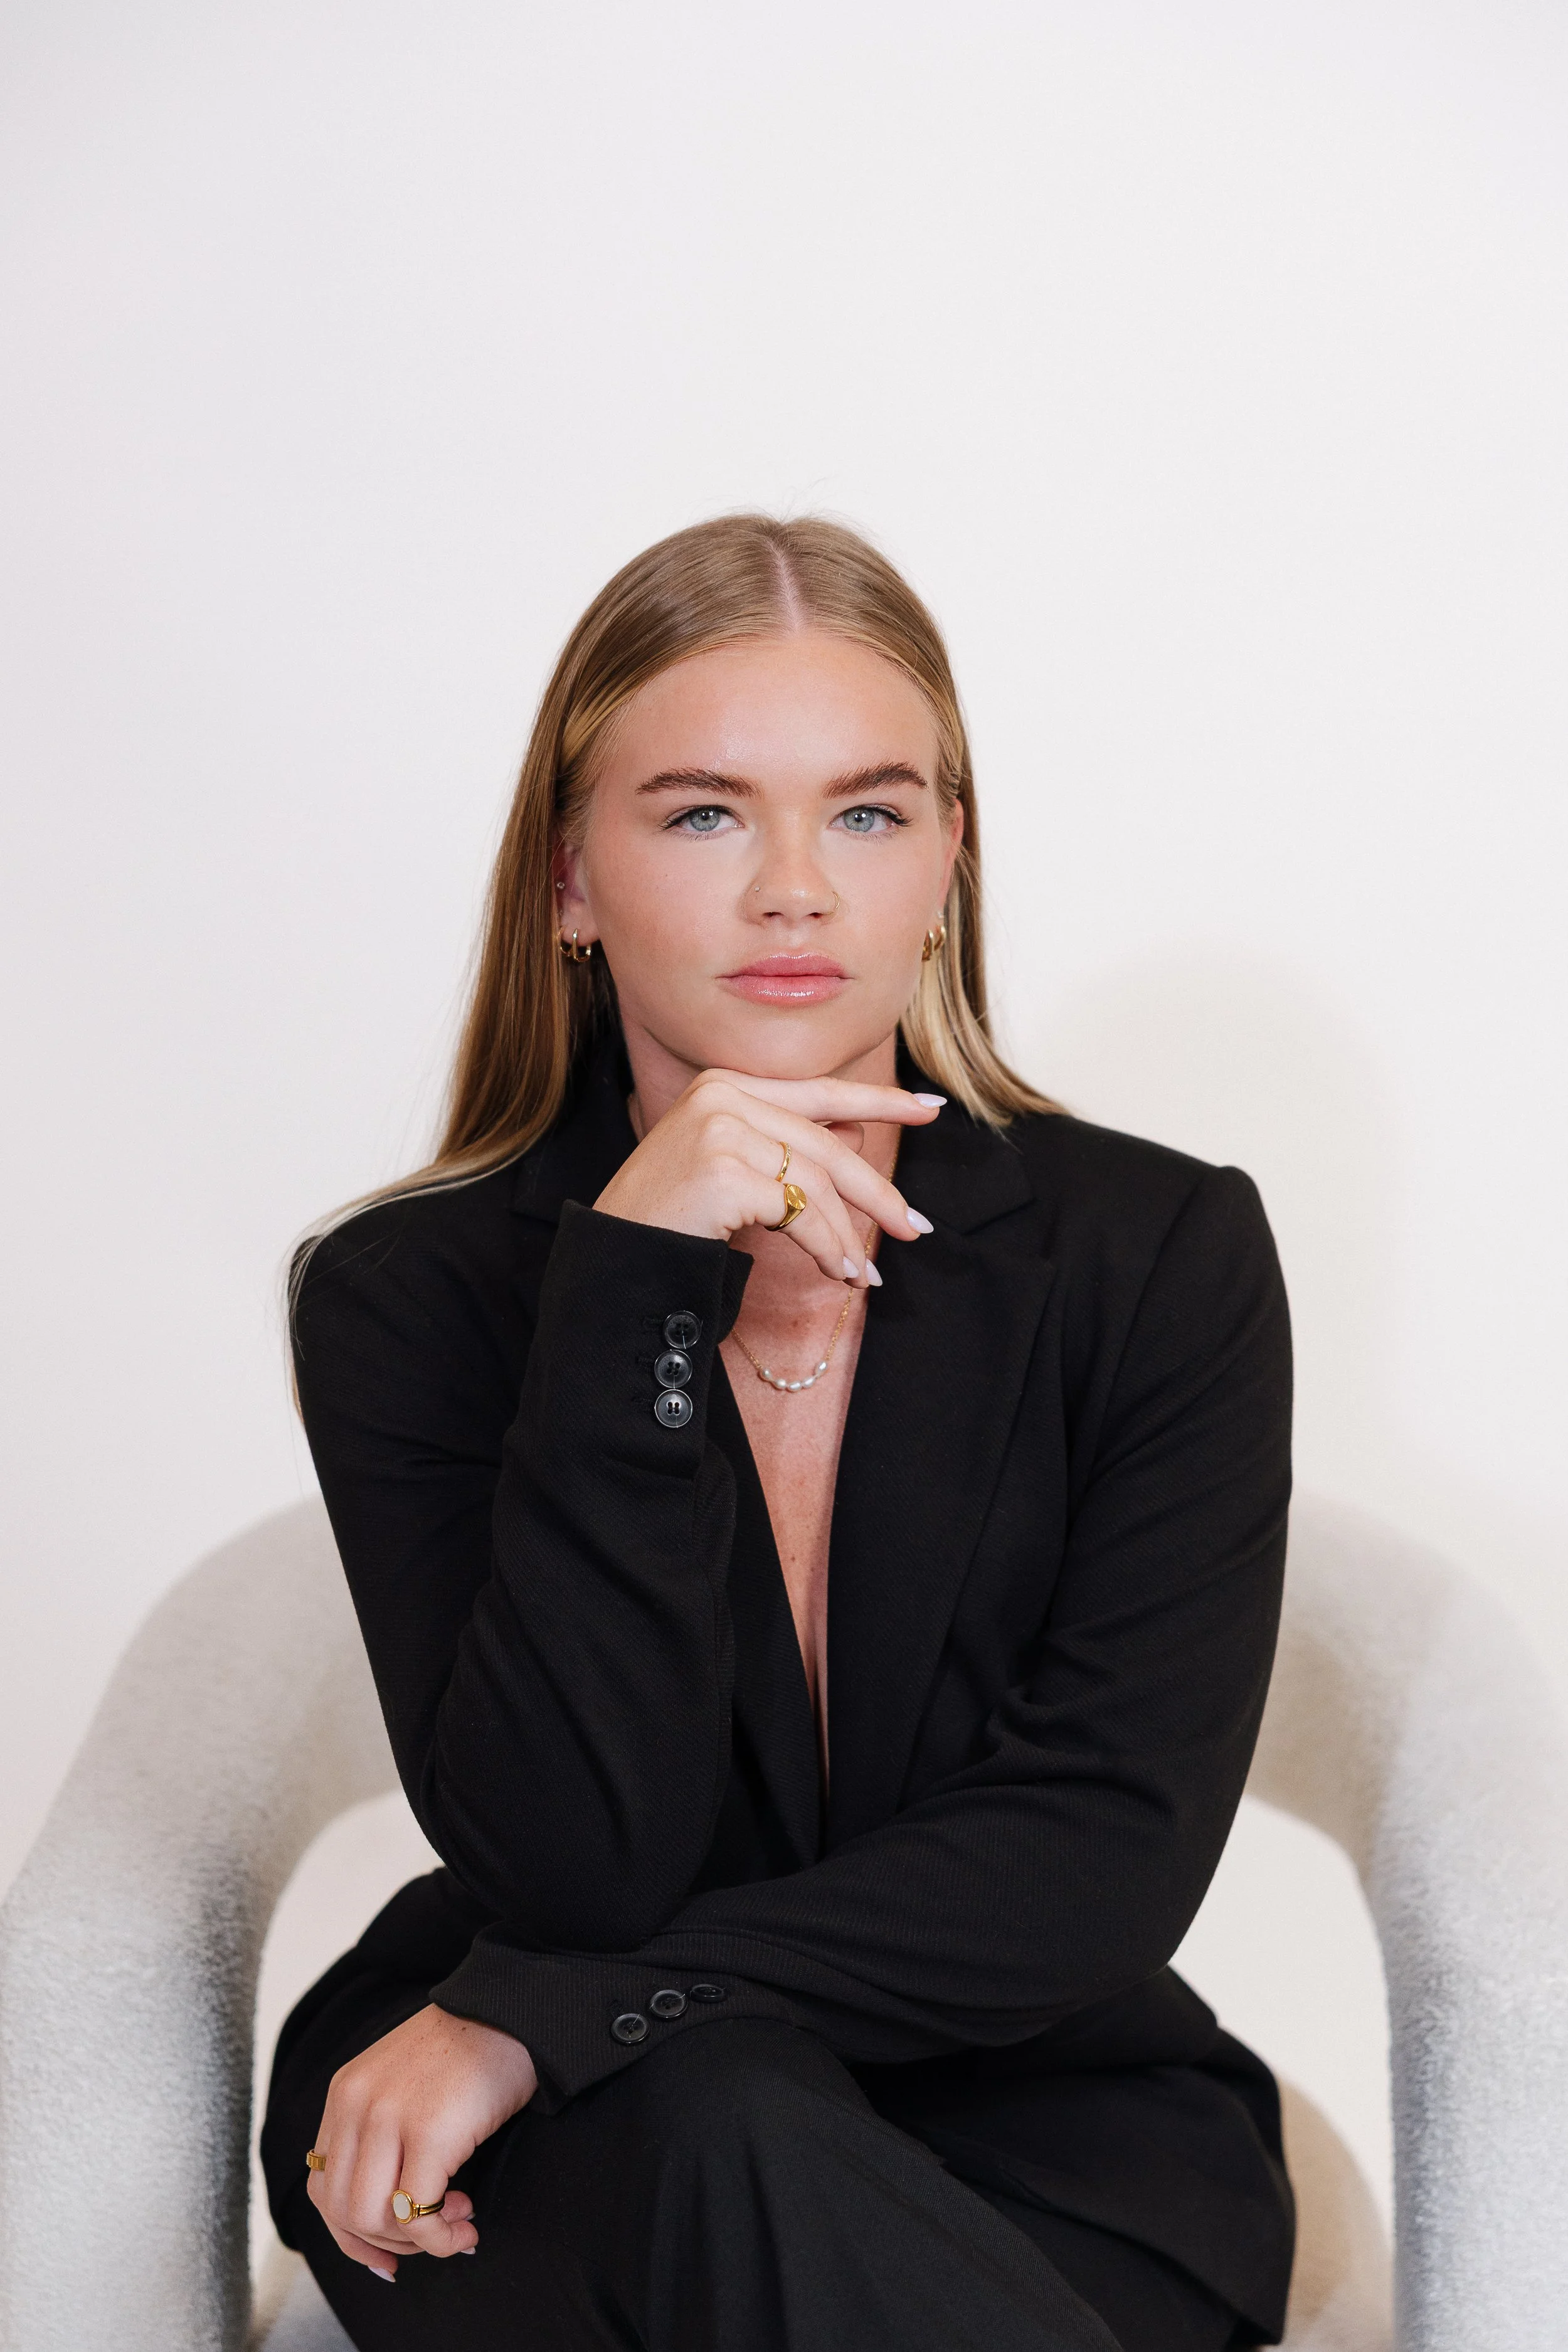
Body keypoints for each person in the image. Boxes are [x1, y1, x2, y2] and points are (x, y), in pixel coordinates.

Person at [261, 514, 1295, 2352]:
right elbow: (569, 1863)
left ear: (948, 862)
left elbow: (1095, 1853)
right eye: (703, 814)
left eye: (869, 812)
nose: (797, 890)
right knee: (727, 2122)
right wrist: (631, 1289)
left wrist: (550, 2014)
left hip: (1031, 2114)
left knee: (763, 2145)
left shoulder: (1157, 1254)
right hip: (557, 2149)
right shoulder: (407, 1296)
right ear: (569, 881)